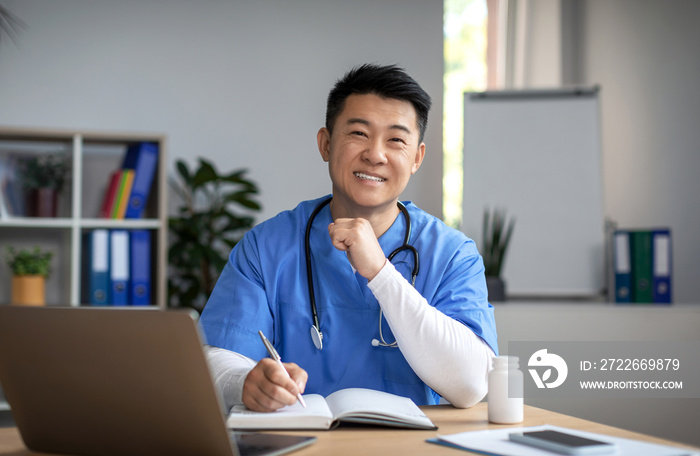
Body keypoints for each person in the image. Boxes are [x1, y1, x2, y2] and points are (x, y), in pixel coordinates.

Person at [200, 63, 498, 413]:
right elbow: (217, 356)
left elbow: (472, 384)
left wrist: (381, 273)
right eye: (358, 133)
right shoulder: (266, 248)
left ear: (416, 158)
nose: (375, 154)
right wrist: (245, 382)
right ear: (326, 144)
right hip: (297, 446)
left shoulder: (451, 254)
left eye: (396, 140)